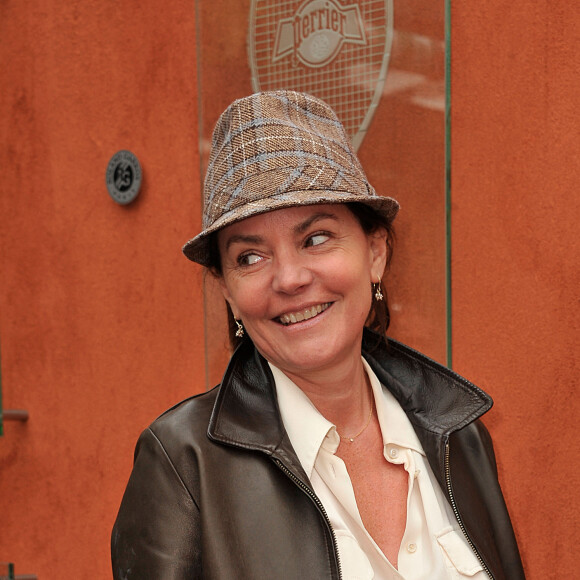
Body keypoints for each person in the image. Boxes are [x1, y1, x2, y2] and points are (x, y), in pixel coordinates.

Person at [111, 90, 525, 579]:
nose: (289, 278)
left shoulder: (459, 435)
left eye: (316, 238)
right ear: (226, 290)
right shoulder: (183, 465)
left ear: (375, 252)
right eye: (250, 256)